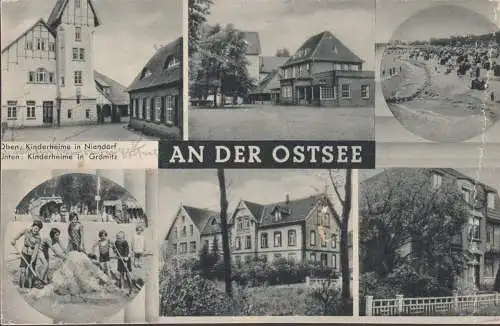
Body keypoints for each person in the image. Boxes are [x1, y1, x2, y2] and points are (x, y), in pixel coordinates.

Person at [11, 220, 43, 288]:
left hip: (32, 255)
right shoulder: (27, 230)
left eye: (38, 230)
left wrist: (32, 260)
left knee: (30, 271)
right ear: (33, 226)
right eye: (36, 228)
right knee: (23, 270)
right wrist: (14, 239)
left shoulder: (38, 238)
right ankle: (22, 287)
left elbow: (36, 250)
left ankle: (29, 287)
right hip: (24, 252)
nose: (36, 230)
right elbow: (20, 233)